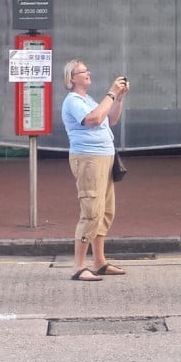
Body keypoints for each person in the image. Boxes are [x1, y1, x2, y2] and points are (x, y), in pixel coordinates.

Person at [61, 59, 130, 282]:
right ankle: (79, 266)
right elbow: (94, 119)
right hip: (89, 159)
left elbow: (111, 119)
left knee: (105, 211)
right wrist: (111, 93)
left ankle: (99, 262)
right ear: (72, 78)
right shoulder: (73, 101)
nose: (88, 74)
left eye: (88, 70)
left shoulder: (87, 99)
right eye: (83, 72)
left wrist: (119, 98)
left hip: (104, 157)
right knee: (91, 211)